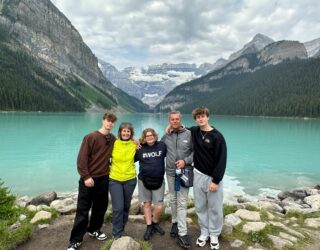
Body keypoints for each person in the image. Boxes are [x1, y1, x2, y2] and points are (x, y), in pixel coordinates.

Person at [67, 112, 117, 250]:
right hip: (89, 178)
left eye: (112, 122)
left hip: (104, 178)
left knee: (100, 207)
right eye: (108, 120)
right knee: (83, 209)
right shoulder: (90, 137)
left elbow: (120, 150)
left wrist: (136, 143)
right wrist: (86, 176)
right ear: (103, 121)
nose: (110, 124)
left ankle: (94, 229)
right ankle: (75, 240)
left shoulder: (112, 138)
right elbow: (81, 159)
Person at [190, 107, 227, 250]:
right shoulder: (195, 131)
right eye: (198, 117)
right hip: (198, 174)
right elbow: (180, 128)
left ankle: (214, 234)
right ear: (195, 119)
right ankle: (204, 232)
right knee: (200, 206)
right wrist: (170, 127)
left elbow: (222, 160)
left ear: (208, 117)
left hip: (212, 178)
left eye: (203, 116)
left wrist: (216, 180)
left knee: (215, 207)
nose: (200, 119)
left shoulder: (217, 136)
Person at [162, 111, 193, 249]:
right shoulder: (166, 135)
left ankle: (183, 233)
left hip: (184, 174)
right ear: (169, 121)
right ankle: (175, 222)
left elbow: (195, 152)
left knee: (181, 202)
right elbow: (155, 146)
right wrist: (138, 144)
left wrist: (185, 161)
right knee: (173, 199)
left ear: (180, 119)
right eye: (172, 119)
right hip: (170, 173)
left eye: (177, 119)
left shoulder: (189, 134)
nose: (175, 121)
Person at [135, 128, 167, 241]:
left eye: (151, 135)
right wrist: (133, 144)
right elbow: (128, 158)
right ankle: (149, 226)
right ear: (144, 137)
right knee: (147, 204)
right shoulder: (139, 148)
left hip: (159, 180)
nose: (149, 137)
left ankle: (155, 222)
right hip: (143, 180)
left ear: (155, 136)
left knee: (159, 206)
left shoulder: (162, 146)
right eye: (147, 136)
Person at [109, 122, 137, 239]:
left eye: (128, 131)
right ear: (120, 132)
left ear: (131, 133)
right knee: (118, 207)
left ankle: (122, 229)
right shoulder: (113, 143)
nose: (126, 133)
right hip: (115, 179)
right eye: (124, 131)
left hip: (130, 179)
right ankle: (116, 233)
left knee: (126, 206)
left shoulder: (135, 144)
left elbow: (150, 141)